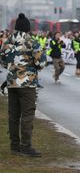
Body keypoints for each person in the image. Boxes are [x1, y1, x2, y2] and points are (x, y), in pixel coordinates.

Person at [0, 13, 45, 157]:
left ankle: (14, 146)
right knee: (27, 115)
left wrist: (13, 67)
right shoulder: (32, 42)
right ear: (27, 28)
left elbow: (3, 61)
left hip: (12, 83)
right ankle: (26, 146)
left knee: (13, 115)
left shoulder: (8, 42)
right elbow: (41, 63)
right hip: (27, 84)